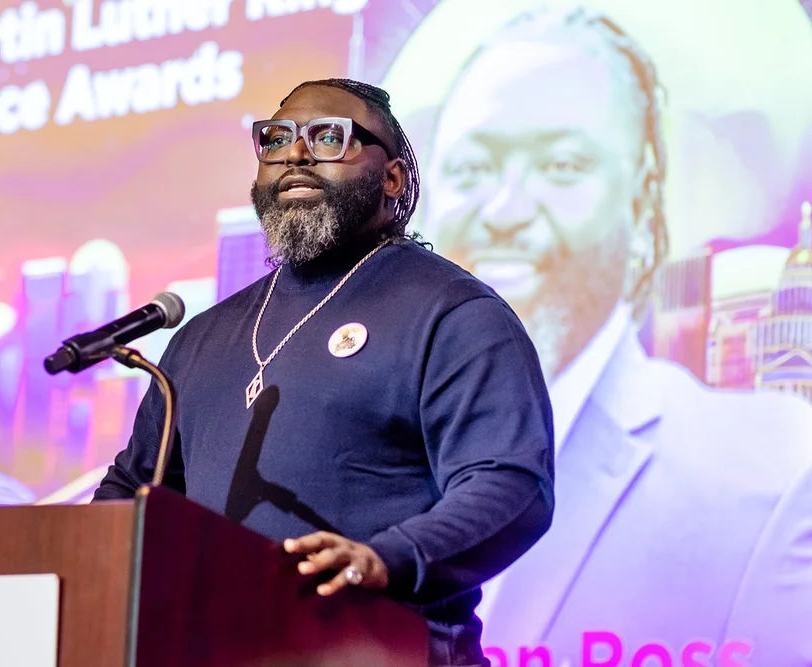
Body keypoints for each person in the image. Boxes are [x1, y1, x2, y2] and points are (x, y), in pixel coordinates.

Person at [93, 78, 555, 666]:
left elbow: (512, 486)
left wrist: (385, 559)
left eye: (328, 137)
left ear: (392, 179)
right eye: (276, 138)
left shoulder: (452, 312)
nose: (296, 153)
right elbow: (134, 494)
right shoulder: (202, 337)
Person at [423, 6, 812, 662]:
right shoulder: (347, 457)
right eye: (471, 170)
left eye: (564, 165)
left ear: (641, 203)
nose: (507, 211)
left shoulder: (771, 472)